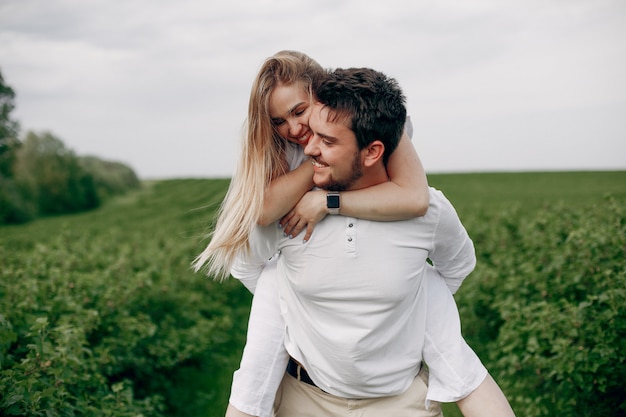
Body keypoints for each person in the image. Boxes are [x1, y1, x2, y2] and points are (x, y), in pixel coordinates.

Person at [228, 67, 516, 416]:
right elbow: (245, 261)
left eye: (326, 139)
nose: (306, 144)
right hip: (305, 398)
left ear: (373, 151)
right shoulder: (290, 212)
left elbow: (455, 264)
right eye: (282, 122)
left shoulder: (425, 208)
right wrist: (308, 311)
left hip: (401, 402)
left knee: (424, 284)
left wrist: (399, 307)